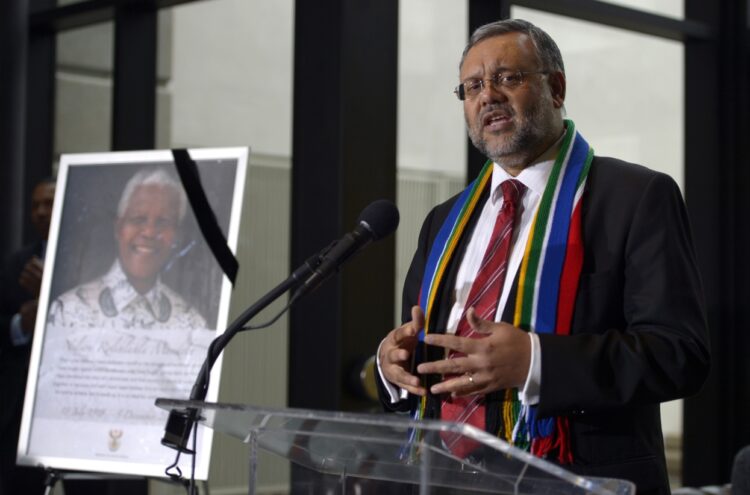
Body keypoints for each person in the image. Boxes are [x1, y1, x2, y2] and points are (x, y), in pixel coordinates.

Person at [377, 19, 709, 495]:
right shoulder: (443, 221)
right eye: (472, 86)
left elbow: (679, 354)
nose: (487, 95)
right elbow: (422, 349)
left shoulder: (635, 197)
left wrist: (536, 361)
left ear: (556, 88)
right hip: (444, 480)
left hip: (578, 478)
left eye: (507, 77)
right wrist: (396, 364)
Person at [47, 168, 205, 330]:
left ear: (176, 236)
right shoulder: (67, 312)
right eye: (138, 219)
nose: (149, 232)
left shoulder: (191, 323)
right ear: (118, 228)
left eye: (163, 222)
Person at [0, 177, 56, 494]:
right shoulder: (17, 263)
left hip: (76, 401)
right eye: (35, 205)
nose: (40, 211)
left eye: (48, 203)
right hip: (20, 409)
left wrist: (51, 295)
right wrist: (21, 326)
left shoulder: (93, 261)